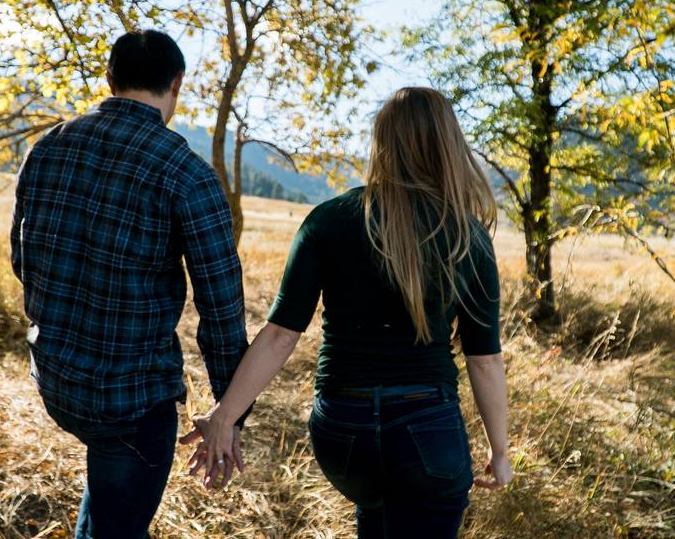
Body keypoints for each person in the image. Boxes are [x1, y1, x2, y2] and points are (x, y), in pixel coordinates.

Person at [181, 87, 513, 538]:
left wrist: (225, 417)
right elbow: (484, 358)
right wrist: (500, 450)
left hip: (343, 434)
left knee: (376, 512)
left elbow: (281, 333)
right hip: (427, 431)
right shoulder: (464, 235)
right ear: (449, 144)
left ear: (381, 142)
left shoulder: (328, 220)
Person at [11, 30, 251, 539]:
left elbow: (21, 259)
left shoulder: (46, 148)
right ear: (176, 84)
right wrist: (232, 413)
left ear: (110, 78)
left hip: (55, 379)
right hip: (131, 401)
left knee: (109, 499)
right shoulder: (188, 174)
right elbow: (222, 310)